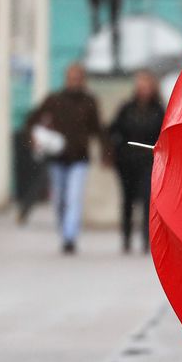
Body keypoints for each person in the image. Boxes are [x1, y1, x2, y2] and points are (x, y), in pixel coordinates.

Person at [26, 63, 109, 255]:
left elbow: (98, 128)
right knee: (60, 200)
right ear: (66, 79)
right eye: (71, 78)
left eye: (78, 78)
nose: (75, 81)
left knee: (74, 198)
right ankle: (64, 230)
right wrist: (35, 140)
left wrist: (106, 152)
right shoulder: (54, 100)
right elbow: (33, 120)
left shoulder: (89, 101)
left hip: (79, 158)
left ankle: (70, 236)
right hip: (58, 158)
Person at [108, 70, 165, 253]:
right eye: (140, 87)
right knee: (127, 200)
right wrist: (116, 149)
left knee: (148, 199)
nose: (143, 91)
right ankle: (126, 237)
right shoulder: (127, 108)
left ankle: (146, 239)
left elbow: (164, 134)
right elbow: (114, 129)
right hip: (127, 162)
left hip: (149, 161)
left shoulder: (158, 110)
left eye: (146, 87)